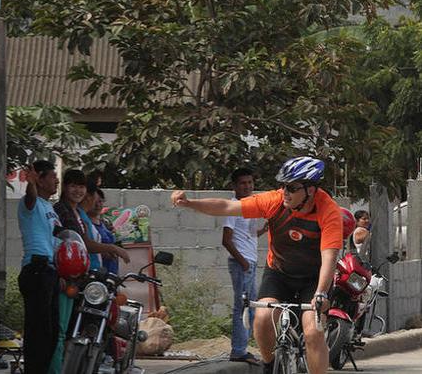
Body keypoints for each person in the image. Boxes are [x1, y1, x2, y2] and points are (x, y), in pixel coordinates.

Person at [171, 156, 342, 374]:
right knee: (262, 319)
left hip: (314, 279)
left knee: (313, 332)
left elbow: (329, 257)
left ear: (311, 190)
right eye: (282, 186)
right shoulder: (274, 201)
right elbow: (226, 206)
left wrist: (320, 294)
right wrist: (190, 204)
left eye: (291, 187)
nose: (285, 192)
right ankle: (270, 365)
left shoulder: (329, 211)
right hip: (279, 273)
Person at [51, 170, 130, 373]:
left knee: (85, 324)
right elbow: (81, 243)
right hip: (67, 276)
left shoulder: (77, 213)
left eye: (82, 187)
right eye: (73, 186)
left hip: (84, 277)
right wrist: (112, 248)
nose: (79, 191)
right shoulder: (62, 210)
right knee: (62, 330)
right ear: (64, 187)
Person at [17, 160, 62, 374]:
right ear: (40, 180)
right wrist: (31, 183)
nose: (57, 181)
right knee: (38, 331)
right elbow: (30, 197)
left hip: (51, 271)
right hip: (36, 269)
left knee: (52, 330)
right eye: (53, 177)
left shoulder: (51, 208)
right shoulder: (30, 203)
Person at [222, 168, 267, 364]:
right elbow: (226, 239)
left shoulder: (248, 206)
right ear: (234, 186)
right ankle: (239, 350)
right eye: (243, 183)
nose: (247, 186)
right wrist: (243, 262)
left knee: (251, 309)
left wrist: (262, 230)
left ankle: (243, 349)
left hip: (248, 262)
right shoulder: (233, 206)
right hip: (242, 264)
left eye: (250, 182)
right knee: (242, 307)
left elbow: (247, 234)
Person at [81, 186, 118, 274]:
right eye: (95, 201)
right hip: (97, 272)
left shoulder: (105, 223)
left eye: (101, 201)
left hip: (111, 271)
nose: (98, 205)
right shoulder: (84, 222)